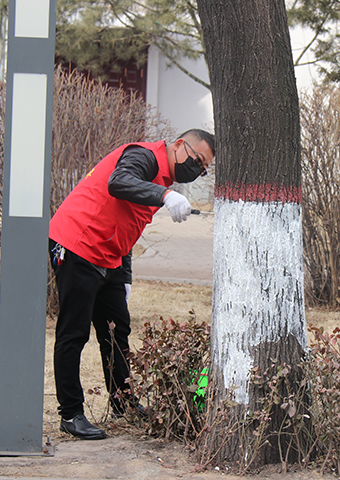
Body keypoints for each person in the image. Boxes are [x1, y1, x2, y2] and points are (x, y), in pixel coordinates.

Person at [48, 129, 215, 439]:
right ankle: (70, 414)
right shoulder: (144, 157)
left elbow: (127, 224)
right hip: (78, 243)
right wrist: (165, 196)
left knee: (116, 331)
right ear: (179, 145)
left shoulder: (162, 179)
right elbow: (119, 182)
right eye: (197, 161)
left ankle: (122, 403)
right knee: (74, 331)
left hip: (109, 256)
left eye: (203, 168)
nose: (197, 170)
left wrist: (124, 277)